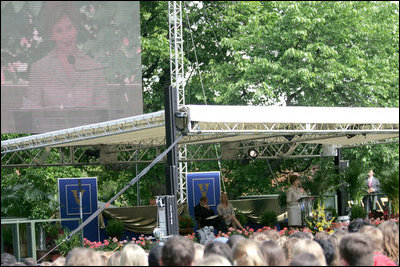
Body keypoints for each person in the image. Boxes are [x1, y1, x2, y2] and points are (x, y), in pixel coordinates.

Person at [23, 2, 109, 115]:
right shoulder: (39, 69)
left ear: (76, 28)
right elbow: (32, 117)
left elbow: (103, 116)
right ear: (51, 35)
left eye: (69, 28)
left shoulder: (94, 69)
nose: (66, 35)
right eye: (59, 30)